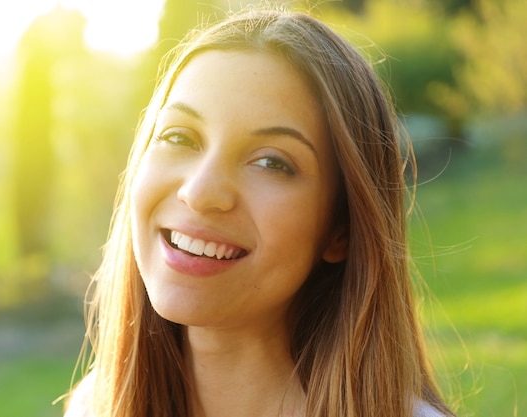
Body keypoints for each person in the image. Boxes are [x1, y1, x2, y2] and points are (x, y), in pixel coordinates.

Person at [64, 7, 455, 417]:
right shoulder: (95, 406)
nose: (199, 193)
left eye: (270, 162)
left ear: (340, 230)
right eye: (179, 136)